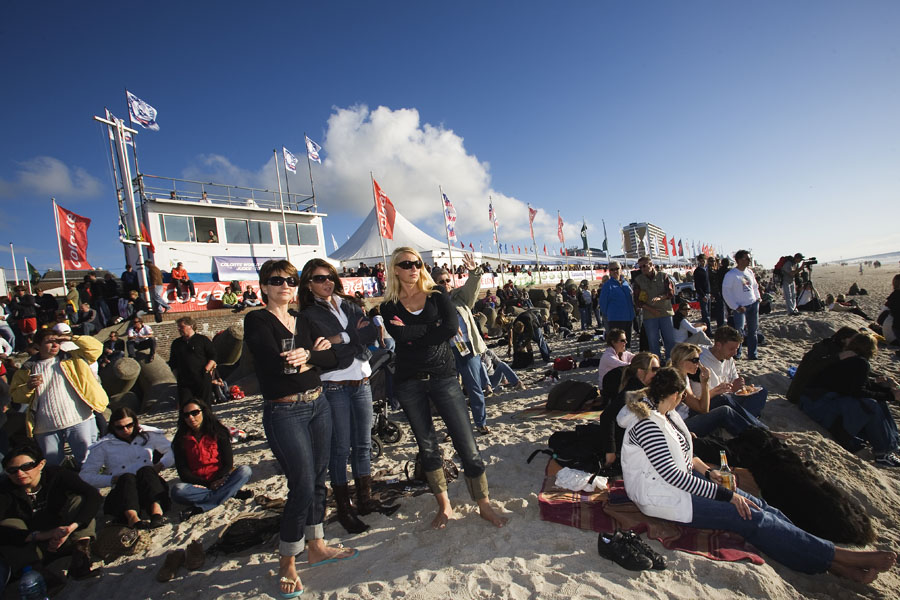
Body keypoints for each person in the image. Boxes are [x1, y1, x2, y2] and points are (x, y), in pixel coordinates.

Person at [618, 366, 897, 583]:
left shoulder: (668, 415)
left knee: (762, 506)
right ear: (675, 394)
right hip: (664, 496)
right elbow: (672, 476)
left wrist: (709, 472)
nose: (685, 400)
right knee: (749, 516)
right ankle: (837, 556)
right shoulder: (647, 424)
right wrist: (726, 495)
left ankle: (832, 562)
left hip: (684, 484)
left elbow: (685, 457)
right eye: (683, 396)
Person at [243, 258, 354, 598]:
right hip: (284, 410)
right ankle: (287, 561)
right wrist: (311, 356)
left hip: (318, 404)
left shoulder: (302, 320)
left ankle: (316, 545)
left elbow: (335, 358)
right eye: (277, 280)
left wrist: (307, 357)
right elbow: (270, 362)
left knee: (318, 479)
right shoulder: (257, 320)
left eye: (291, 281)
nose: (285, 286)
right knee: (302, 484)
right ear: (264, 286)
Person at [380, 247, 508, 531]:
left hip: (443, 376)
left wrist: (414, 333)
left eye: (417, 263)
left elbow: (449, 328)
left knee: (467, 443)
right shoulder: (388, 306)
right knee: (427, 446)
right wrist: (430, 328)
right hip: (409, 381)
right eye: (406, 264)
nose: (414, 268)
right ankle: (444, 505)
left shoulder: (437, 295)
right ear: (395, 269)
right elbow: (400, 335)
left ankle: (484, 503)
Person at [297, 258, 385, 534]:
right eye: (319, 278)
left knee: (363, 444)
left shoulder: (348, 303)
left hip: (362, 380)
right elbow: (325, 353)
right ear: (308, 284)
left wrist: (342, 338)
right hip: (334, 385)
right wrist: (353, 338)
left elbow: (370, 331)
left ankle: (365, 500)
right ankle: (345, 508)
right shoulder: (308, 315)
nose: (327, 282)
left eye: (329, 277)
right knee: (340, 448)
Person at [0, 444, 102, 582]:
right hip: (33, 546)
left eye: (26, 467)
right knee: (10, 523)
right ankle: (41, 577)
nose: (20, 473)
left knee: (79, 500)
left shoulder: (57, 475)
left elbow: (93, 495)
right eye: (12, 470)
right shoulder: (4, 490)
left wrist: (69, 529)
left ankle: (81, 557)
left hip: (67, 537)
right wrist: (43, 535)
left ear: (41, 464)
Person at [798, 333, 900, 467]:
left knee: (877, 401)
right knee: (871, 405)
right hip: (818, 405)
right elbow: (857, 391)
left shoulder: (847, 358)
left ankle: (894, 442)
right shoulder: (860, 363)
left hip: (812, 400)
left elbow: (852, 385)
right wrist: (891, 396)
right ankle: (883, 453)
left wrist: (885, 390)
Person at [9, 329, 107, 468]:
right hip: (45, 426)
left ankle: (91, 482)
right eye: (49, 342)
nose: (55, 345)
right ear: (37, 346)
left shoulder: (73, 357)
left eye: (58, 341)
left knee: (88, 461)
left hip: (79, 418)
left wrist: (71, 338)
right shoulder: (27, 368)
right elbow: (15, 395)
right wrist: (28, 387)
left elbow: (96, 348)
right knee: (53, 466)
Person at [80, 408, 173, 529]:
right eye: (120, 427)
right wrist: (111, 480)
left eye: (129, 425)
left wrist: (161, 464)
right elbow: (85, 475)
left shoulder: (147, 434)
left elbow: (172, 450)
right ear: (113, 427)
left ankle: (156, 512)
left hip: (149, 485)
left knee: (146, 470)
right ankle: (132, 518)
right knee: (127, 477)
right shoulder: (104, 445)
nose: (125, 430)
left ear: (135, 422)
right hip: (123, 490)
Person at [433, 255, 493, 435]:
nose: (446, 284)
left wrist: (474, 271)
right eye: (441, 281)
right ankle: (454, 428)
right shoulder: (431, 303)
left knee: (474, 387)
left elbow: (472, 288)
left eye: (447, 280)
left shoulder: (459, 298)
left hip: (467, 348)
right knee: (450, 393)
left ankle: (480, 422)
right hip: (446, 351)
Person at [170, 399, 253, 521]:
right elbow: (183, 472)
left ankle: (200, 507)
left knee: (245, 471)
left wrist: (217, 480)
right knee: (177, 491)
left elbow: (228, 463)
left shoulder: (218, 432)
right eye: (186, 415)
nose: (191, 418)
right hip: (198, 484)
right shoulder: (180, 440)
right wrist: (207, 484)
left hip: (221, 479)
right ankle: (231, 492)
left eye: (195, 413)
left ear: (203, 412)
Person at [671, 343, 766, 437]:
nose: (699, 364)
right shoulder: (677, 380)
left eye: (699, 360)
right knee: (725, 411)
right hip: (682, 425)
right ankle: (759, 435)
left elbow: (695, 402)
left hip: (686, 415)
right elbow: (702, 409)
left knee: (723, 398)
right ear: (682, 361)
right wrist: (705, 383)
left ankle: (762, 430)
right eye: (695, 360)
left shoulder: (683, 375)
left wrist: (715, 391)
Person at [597, 352, 659, 468]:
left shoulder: (645, 389)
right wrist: (610, 451)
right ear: (641, 371)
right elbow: (607, 416)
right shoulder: (632, 391)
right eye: (654, 369)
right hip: (625, 444)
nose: (657, 373)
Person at [696, 326, 768, 418]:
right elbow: (702, 397)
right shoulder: (701, 360)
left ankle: (745, 419)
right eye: (731, 349)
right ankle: (747, 420)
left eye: (737, 349)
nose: (735, 353)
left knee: (761, 391)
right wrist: (733, 389)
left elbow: (734, 382)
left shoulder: (728, 358)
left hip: (729, 397)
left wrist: (741, 387)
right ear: (718, 345)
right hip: (712, 401)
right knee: (725, 399)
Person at [632, 256, 676, 361]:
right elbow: (637, 301)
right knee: (653, 342)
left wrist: (661, 297)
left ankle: (670, 362)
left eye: (644, 266)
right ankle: (656, 364)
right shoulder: (638, 280)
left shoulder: (663, 276)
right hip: (649, 316)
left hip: (665, 313)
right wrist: (651, 310)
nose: (642, 269)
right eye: (640, 267)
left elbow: (670, 293)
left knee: (670, 341)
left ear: (651, 265)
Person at [722, 250, 761, 360]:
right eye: (746, 258)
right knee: (739, 332)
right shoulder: (731, 274)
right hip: (740, 307)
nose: (749, 260)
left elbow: (754, 286)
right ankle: (737, 354)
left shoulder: (749, 272)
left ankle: (753, 354)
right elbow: (726, 292)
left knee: (753, 331)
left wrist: (758, 298)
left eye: (749, 258)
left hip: (753, 303)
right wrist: (735, 306)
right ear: (739, 260)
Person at [168, 316, 217, 404]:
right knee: (186, 404)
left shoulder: (202, 340)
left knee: (204, 404)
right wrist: (177, 375)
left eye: (181, 327)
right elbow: (172, 361)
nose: (179, 329)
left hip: (202, 377)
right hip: (184, 380)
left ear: (190, 326)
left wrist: (207, 369)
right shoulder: (176, 343)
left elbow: (213, 356)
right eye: (178, 327)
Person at [693, 255, 712, 330]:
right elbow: (697, 285)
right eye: (701, 261)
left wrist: (710, 292)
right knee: (705, 314)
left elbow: (708, 283)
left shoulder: (707, 269)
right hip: (702, 295)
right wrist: (703, 295)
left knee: (709, 313)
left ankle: (708, 329)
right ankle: (708, 331)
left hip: (708, 293)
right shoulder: (697, 271)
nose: (702, 262)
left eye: (703, 260)